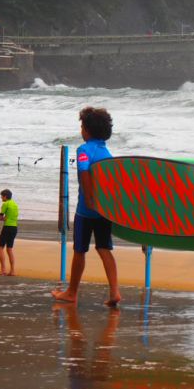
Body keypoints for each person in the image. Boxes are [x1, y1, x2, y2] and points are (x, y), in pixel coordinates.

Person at [51, 106, 122, 308]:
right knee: (104, 248)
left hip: (86, 210)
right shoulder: (107, 153)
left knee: (80, 250)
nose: (81, 130)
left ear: (88, 130)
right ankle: (115, 291)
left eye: (82, 126)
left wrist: (89, 199)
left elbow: (84, 171)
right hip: (104, 211)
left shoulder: (84, 150)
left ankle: (72, 293)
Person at [0, 188, 20, 276]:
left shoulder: (5, 204)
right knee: (9, 249)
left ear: (5, 197)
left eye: (1, 196)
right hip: (14, 227)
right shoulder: (15, 204)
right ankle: (12, 271)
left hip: (7, 227)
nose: (1, 198)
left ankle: (3, 270)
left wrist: (2, 218)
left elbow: (0, 217)